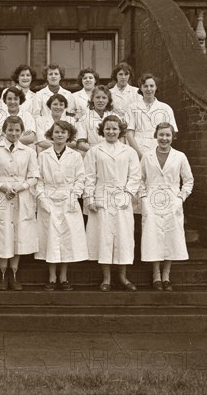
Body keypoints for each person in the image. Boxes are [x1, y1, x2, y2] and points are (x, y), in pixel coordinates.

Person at [0, 116, 40, 291]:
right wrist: (4, 187)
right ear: (3, 131)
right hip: (1, 196)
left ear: (21, 132)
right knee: (2, 233)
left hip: (21, 196)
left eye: (17, 130)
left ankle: (14, 274)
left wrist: (21, 187)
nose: (13, 133)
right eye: (10, 130)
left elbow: (34, 176)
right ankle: (3, 274)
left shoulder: (29, 152)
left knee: (18, 234)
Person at [84, 115, 141, 292]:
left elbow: (135, 176)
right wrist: (90, 199)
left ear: (120, 130)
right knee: (104, 237)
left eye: (114, 128)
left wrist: (128, 193)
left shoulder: (129, 151)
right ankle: (106, 278)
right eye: (108, 128)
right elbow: (88, 177)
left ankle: (123, 276)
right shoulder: (95, 151)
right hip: (102, 195)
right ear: (102, 130)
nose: (111, 132)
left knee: (123, 237)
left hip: (122, 197)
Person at [140, 123, 194, 291]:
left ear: (173, 137)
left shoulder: (180, 156)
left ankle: (166, 275)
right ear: (156, 136)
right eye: (161, 135)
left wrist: (180, 198)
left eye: (168, 135)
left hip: (172, 202)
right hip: (152, 202)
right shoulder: (147, 156)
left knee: (170, 237)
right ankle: (156, 274)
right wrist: (144, 199)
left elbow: (189, 180)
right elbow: (140, 180)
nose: (164, 138)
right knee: (153, 237)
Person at [35, 121, 88, 291]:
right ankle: (51, 277)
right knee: (50, 238)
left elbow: (81, 178)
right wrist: (42, 198)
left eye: (63, 132)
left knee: (66, 238)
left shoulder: (76, 156)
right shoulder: (43, 155)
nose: (59, 135)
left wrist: (74, 196)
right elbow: (39, 179)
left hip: (68, 200)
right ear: (52, 134)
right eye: (57, 132)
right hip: (49, 199)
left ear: (69, 135)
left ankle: (63, 276)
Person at [126, 73, 178, 159]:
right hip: (137, 149)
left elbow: (171, 133)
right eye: (145, 86)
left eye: (151, 86)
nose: (149, 89)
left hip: (158, 148)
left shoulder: (166, 108)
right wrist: (139, 154)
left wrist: (162, 151)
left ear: (156, 87)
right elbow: (129, 134)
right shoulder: (132, 108)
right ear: (141, 88)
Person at [76, 85, 119, 153]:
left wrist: (115, 150)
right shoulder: (84, 118)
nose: (100, 100)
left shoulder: (115, 116)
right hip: (93, 153)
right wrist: (97, 151)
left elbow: (121, 137)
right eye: (97, 97)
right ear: (92, 99)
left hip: (114, 152)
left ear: (108, 100)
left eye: (104, 98)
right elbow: (80, 144)